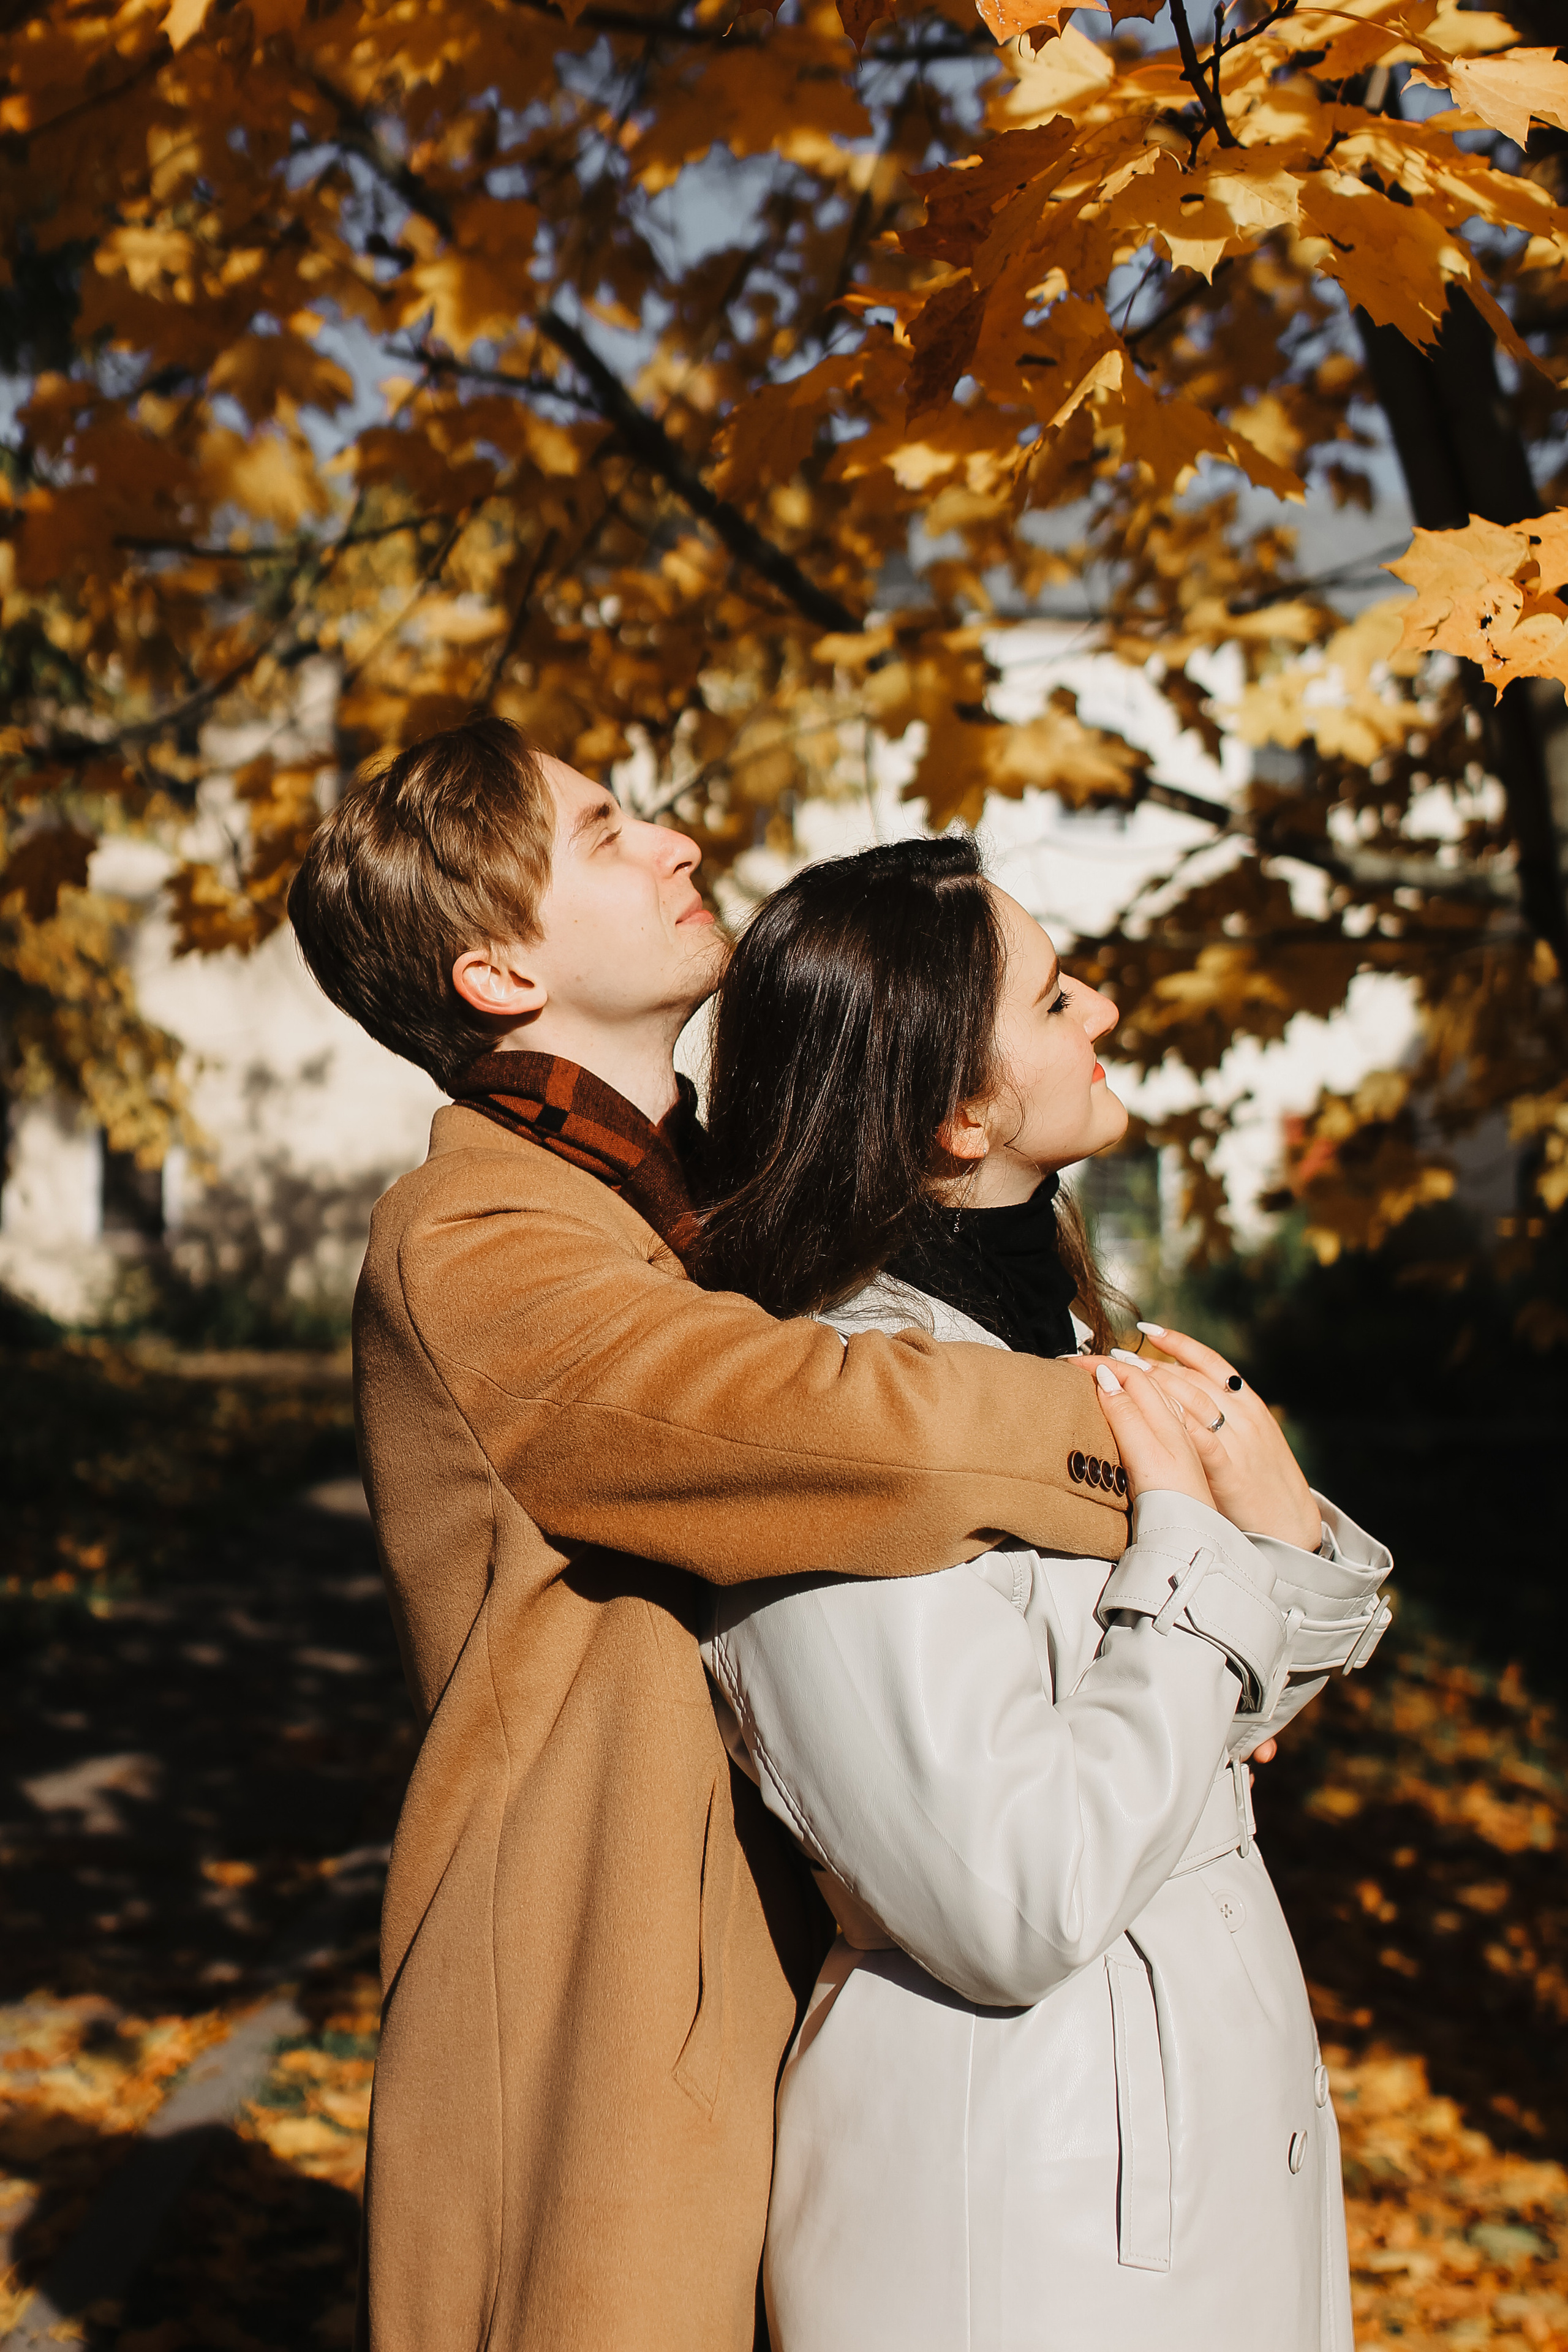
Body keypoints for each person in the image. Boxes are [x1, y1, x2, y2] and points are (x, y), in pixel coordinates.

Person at [285, 718, 1137, 2352]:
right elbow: (804, 1422)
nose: (677, 844)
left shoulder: (698, 1204)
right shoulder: (473, 1238)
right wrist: (1145, 1452)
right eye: (606, 835)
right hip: (603, 2008)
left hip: (812, 1974)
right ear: (495, 977)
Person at [692, 835, 1393, 2352]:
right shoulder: (841, 1417)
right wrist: (1206, 1545)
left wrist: (1272, 1536)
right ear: (952, 1108)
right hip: (1024, 2204)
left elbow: (1184, 1723)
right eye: (1057, 993)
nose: (1109, 1012)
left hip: (1190, 2154)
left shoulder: (1053, 1354)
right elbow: (1011, 1895)